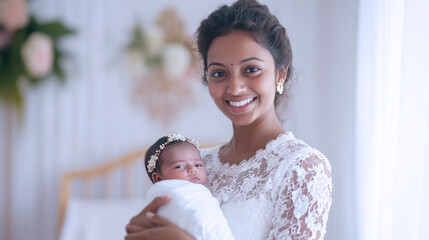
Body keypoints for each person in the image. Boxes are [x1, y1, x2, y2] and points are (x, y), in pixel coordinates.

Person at [125, 0, 332, 239]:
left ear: (280, 74)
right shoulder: (196, 166)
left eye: (251, 69)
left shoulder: (302, 168)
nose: (234, 88)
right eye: (219, 73)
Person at [143, 133, 234, 240]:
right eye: (180, 166)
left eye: (198, 165)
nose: (193, 169)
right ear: (158, 179)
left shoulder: (201, 195)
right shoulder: (170, 196)